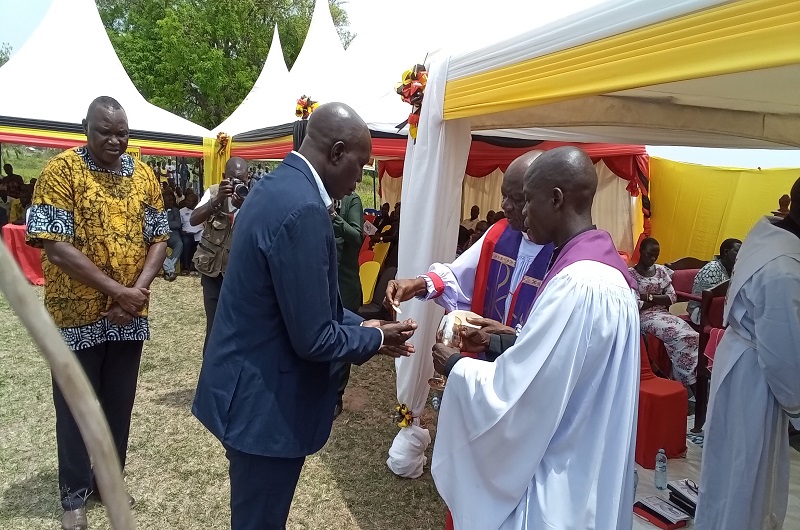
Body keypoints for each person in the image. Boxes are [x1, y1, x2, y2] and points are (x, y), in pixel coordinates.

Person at [192, 103, 417, 530]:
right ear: (336, 153)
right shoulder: (305, 211)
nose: (358, 181)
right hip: (264, 408)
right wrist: (374, 338)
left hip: (244, 389)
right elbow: (314, 338)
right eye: (360, 166)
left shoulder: (274, 188)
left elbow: (308, 306)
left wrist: (363, 325)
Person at [430, 146, 640, 529]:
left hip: (561, 473)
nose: (521, 213)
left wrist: (457, 368)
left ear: (556, 199)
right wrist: (504, 340)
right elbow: (565, 364)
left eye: (528, 200)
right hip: (593, 454)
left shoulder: (577, 284)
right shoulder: (608, 276)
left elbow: (522, 396)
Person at [26, 96, 168, 530]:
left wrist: (136, 294)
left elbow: (160, 237)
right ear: (85, 127)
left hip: (128, 318)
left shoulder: (143, 174)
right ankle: (73, 494)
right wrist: (118, 292)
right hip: (75, 317)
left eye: (122, 132)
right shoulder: (60, 172)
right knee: (74, 407)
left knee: (118, 406)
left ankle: (108, 480)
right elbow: (55, 246)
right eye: (105, 131)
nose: (115, 139)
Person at [695, 178, 800, 530]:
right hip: (757, 376)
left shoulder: (767, 231)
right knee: (746, 478)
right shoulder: (784, 268)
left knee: (729, 472)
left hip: (741, 360)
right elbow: (785, 353)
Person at [387, 151, 554, 344]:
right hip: (483, 355)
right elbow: (459, 276)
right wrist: (417, 285)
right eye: (503, 195)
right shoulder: (499, 234)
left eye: (516, 198)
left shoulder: (563, 254)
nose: (504, 205)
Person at [190, 157, 249, 354]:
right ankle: (210, 376)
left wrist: (245, 205)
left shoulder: (255, 197)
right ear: (224, 178)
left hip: (239, 275)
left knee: (239, 327)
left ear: (249, 178)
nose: (238, 184)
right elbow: (193, 219)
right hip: (213, 273)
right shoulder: (214, 192)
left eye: (242, 180)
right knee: (214, 327)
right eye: (233, 180)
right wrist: (216, 201)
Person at [630, 238, 699, 386]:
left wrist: (647, 296)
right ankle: (689, 382)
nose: (653, 258)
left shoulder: (661, 271)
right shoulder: (630, 275)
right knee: (681, 336)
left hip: (663, 314)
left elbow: (672, 297)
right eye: (649, 254)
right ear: (640, 250)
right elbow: (635, 304)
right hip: (644, 317)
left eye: (656, 255)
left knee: (694, 335)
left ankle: (680, 378)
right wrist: (660, 298)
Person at [331, 191, 365, 417]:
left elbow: (357, 236)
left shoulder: (352, 201)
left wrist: (334, 217)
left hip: (345, 283)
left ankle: (336, 396)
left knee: (343, 340)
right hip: (323, 279)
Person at [687, 238, 741, 324]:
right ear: (726, 252)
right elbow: (706, 300)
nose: (740, 256)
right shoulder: (711, 269)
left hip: (723, 310)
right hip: (701, 312)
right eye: (737, 252)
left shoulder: (734, 270)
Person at [161, 192, 183, 281]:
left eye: (172, 200)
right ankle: (171, 269)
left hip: (173, 234)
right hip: (161, 235)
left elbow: (177, 224)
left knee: (179, 244)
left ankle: (169, 267)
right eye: (169, 201)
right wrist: (170, 224)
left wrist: (163, 223)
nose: (171, 202)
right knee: (157, 248)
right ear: (163, 201)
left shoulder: (175, 210)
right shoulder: (157, 210)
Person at [179, 192, 202, 275]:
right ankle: (186, 267)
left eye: (190, 201)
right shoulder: (181, 211)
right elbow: (179, 225)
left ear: (196, 202)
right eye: (187, 200)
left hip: (199, 233)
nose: (187, 202)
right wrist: (182, 232)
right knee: (186, 242)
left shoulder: (201, 209)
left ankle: (197, 267)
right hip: (187, 233)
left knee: (202, 243)